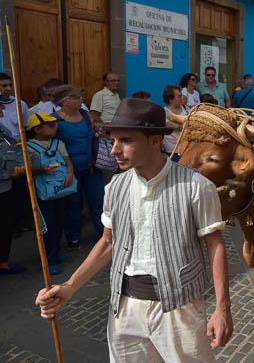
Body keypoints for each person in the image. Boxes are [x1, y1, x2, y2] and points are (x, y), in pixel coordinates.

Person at [35, 98, 233, 360]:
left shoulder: (196, 186)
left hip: (179, 309)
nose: (115, 149)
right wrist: (70, 286)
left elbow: (215, 245)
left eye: (126, 140)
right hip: (125, 308)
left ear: (155, 141)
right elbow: (108, 242)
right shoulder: (115, 187)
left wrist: (222, 309)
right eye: (113, 140)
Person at [52, 85, 104, 249]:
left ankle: (104, 233)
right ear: (65, 101)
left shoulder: (85, 115)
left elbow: (95, 134)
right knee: (72, 204)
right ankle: (73, 236)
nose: (81, 100)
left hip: (91, 166)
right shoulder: (54, 120)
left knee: (98, 200)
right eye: (77, 98)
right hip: (69, 170)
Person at [26, 113, 75, 275]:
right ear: (37, 129)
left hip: (61, 189)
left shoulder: (58, 143)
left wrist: (69, 174)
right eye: (51, 126)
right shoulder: (28, 147)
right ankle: (49, 259)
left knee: (61, 220)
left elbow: (68, 162)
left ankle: (54, 251)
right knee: (48, 225)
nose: (56, 128)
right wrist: (41, 170)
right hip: (42, 193)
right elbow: (26, 171)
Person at [0, 95, 25, 275]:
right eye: (0, 107)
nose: (2, 110)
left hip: (5, 183)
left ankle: (3, 262)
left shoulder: (2, 129)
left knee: (5, 224)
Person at [0, 72, 30, 140]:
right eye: (4, 86)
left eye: (10, 85)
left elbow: (26, 127)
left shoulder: (20, 104)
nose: (9, 89)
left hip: (17, 144)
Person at [163, 85, 189, 154]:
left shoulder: (186, 108)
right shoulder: (164, 112)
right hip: (172, 151)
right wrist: (186, 125)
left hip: (186, 149)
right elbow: (171, 126)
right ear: (171, 99)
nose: (182, 98)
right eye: (179, 96)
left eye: (181, 95)